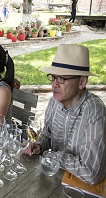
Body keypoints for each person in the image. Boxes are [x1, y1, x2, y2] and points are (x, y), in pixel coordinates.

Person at [24, 44, 106, 185]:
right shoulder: (54, 102)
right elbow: (48, 135)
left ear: (82, 82)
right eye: (53, 77)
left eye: (62, 78)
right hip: (56, 179)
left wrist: (55, 157)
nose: (55, 84)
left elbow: (92, 172)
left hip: (83, 193)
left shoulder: (94, 111)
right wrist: (39, 146)